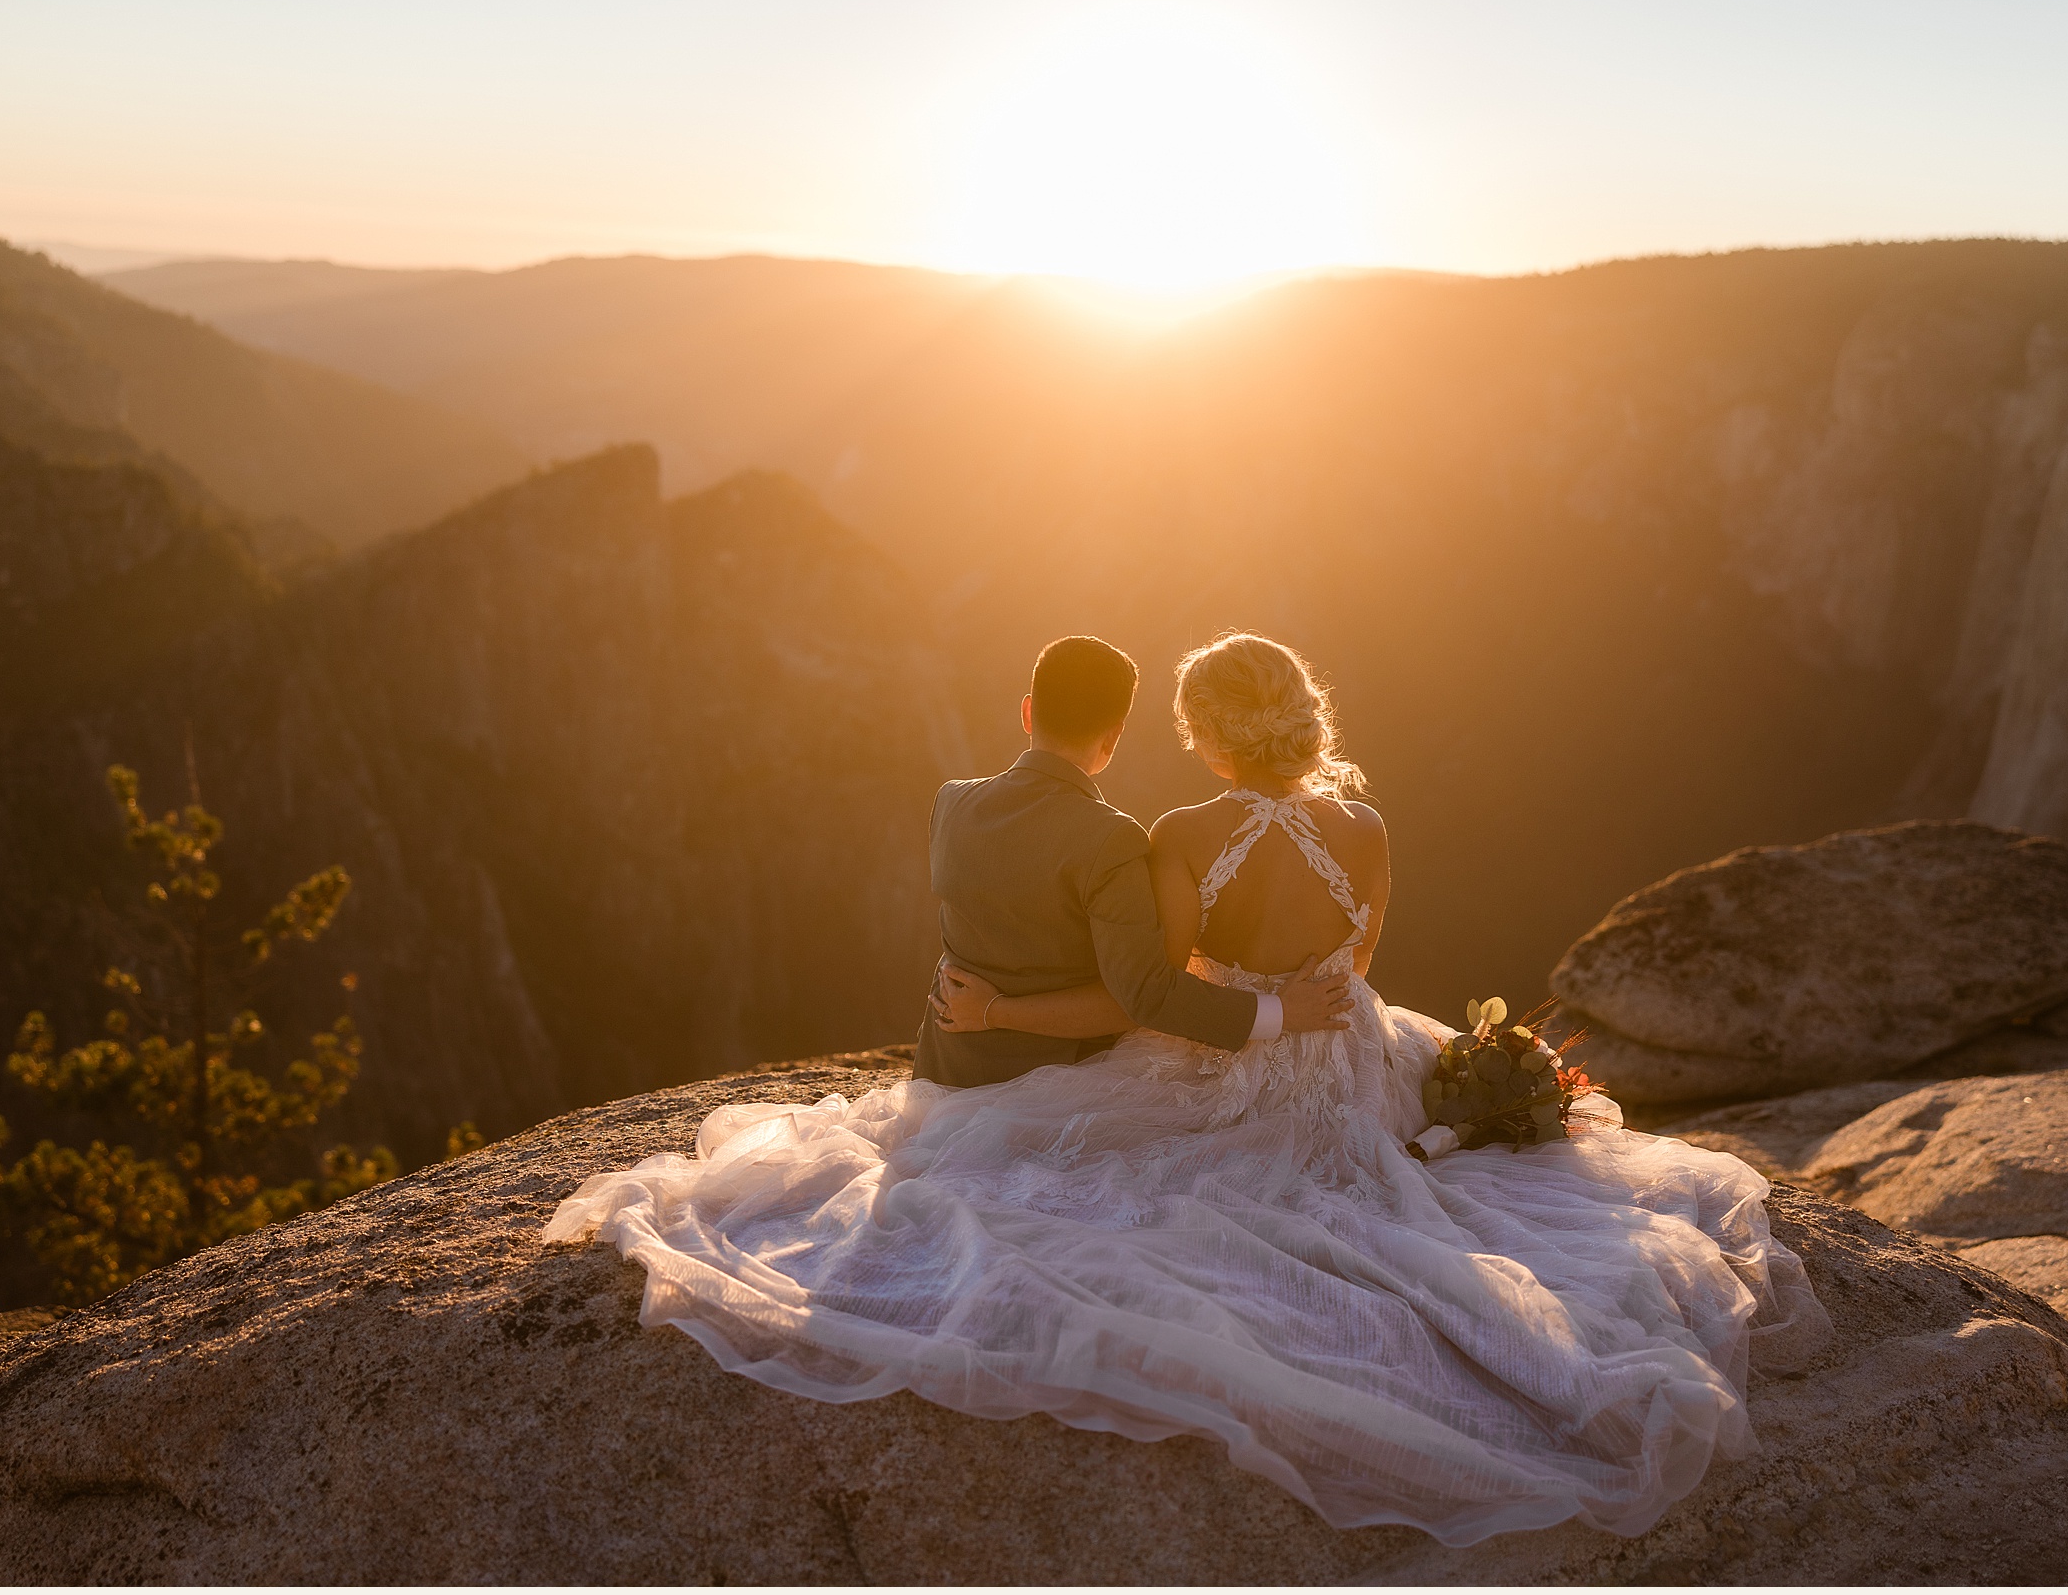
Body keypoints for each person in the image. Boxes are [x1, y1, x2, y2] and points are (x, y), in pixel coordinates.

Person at [545, 630, 1829, 1546]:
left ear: (1207, 732)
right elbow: (1356, 964)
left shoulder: (1175, 836)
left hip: (1226, 1052)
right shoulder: (1370, 829)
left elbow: (1166, 982)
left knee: (1109, 1192)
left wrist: (1189, 1000)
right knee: (1407, 1204)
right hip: (1343, 1056)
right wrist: (1305, 1001)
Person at [914, 634, 1353, 1089]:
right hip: (1049, 1092)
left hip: (945, 1073)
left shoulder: (951, 803)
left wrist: (984, 1010)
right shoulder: (1112, 838)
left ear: (1027, 712)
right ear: (1113, 736)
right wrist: (1279, 1012)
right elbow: (1141, 996)